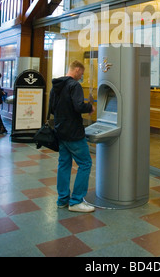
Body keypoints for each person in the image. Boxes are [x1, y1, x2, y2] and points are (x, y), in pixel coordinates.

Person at [48, 60, 95, 213]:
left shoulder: (56, 86)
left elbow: (52, 109)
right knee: (86, 163)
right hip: (73, 132)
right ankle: (76, 201)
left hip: (60, 130)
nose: (81, 76)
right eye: (81, 73)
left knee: (64, 164)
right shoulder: (74, 86)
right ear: (76, 70)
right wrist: (90, 107)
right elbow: (79, 106)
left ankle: (62, 200)